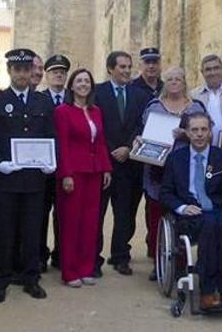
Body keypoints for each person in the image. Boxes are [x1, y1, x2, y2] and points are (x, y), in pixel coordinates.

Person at [0, 48, 56, 303]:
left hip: (34, 181)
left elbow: (51, 137)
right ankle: (1, 280)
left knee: (33, 231)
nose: (22, 74)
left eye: (26, 70)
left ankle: (30, 278)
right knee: (4, 232)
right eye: (18, 69)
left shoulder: (43, 102)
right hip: (5, 181)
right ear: (10, 71)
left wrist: (51, 161)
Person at [161, 111, 222, 309]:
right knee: (210, 224)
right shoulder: (175, 158)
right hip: (191, 214)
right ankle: (208, 292)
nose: (199, 134)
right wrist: (182, 207)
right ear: (187, 133)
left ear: (210, 132)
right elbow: (165, 193)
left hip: (218, 210)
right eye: (194, 130)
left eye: (203, 130)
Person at [135, 66, 206, 281]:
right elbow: (143, 132)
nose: (174, 82)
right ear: (164, 82)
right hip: (157, 168)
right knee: (156, 215)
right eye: (170, 79)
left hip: (186, 169)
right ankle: (159, 263)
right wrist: (138, 140)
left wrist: (186, 135)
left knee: (183, 214)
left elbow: (206, 135)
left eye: (179, 78)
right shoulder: (154, 106)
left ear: (184, 82)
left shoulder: (196, 107)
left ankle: (182, 263)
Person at [93, 51, 151, 277]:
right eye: (122, 67)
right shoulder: (97, 93)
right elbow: (94, 125)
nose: (127, 71)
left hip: (129, 164)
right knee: (97, 213)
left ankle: (120, 256)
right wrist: (110, 150)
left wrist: (128, 148)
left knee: (125, 214)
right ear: (110, 69)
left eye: (129, 67)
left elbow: (142, 126)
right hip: (103, 164)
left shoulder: (140, 95)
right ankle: (93, 258)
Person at [54, 68, 113, 287]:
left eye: (87, 81)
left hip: (94, 171)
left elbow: (101, 141)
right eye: (79, 81)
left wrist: (106, 168)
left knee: (91, 221)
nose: (83, 84)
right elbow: (63, 145)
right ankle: (70, 271)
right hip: (74, 173)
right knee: (71, 222)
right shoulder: (63, 111)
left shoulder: (96, 111)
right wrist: (66, 174)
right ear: (71, 86)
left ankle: (86, 267)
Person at [39, 54, 71, 271]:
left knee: (64, 214)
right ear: (46, 75)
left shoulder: (75, 98)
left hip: (68, 166)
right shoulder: (38, 98)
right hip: (43, 168)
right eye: (54, 71)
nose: (58, 75)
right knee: (40, 214)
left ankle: (62, 255)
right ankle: (40, 255)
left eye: (62, 71)